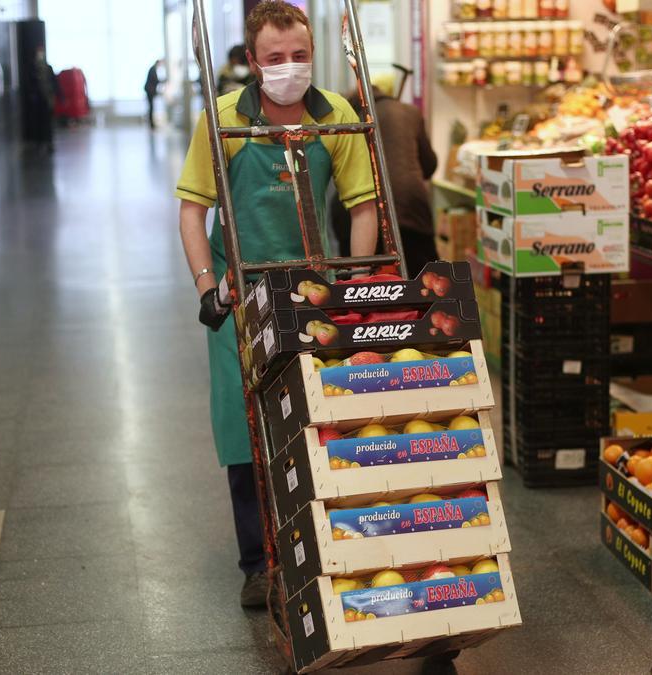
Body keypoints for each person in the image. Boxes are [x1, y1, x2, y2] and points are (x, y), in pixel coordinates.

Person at [174, 0, 377, 609]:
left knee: (316, 418)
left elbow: (364, 206)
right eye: (275, 58)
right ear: (252, 60)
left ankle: (322, 544)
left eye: (299, 55)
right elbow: (192, 208)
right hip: (242, 292)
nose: (289, 66)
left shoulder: (335, 115)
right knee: (244, 430)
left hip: (310, 290)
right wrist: (208, 285)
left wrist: (355, 285)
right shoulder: (225, 119)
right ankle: (256, 563)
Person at [335, 78, 437, 276]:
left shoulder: (349, 116)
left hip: (356, 211)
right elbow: (429, 165)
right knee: (421, 282)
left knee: (360, 288)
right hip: (409, 208)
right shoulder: (408, 112)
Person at [25, 46, 57, 152]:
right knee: (38, 122)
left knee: (48, 122)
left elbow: (54, 83)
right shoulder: (33, 68)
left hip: (47, 99)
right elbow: (30, 84)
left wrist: (55, 96)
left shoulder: (48, 68)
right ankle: (39, 143)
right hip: (37, 101)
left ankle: (48, 143)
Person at [144, 59, 164, 128]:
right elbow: (155, 80)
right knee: (151, 107)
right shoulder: (153, 69)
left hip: (150, 90)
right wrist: (163, 81)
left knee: (151, 107)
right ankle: (151, 124)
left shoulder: (153, 69)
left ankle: (151, 123)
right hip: (149, 90)